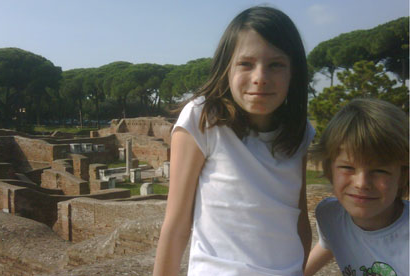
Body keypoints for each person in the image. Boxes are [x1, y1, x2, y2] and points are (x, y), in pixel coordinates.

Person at [153, 6, 315, 276]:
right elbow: (176, 224)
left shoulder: (300, 132)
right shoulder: (203, 119)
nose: (260, 78)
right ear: (226, 68)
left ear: (293, 72)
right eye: (246, 64)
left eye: (275, 64)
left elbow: (299, 220)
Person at [304, 98, 409, 276]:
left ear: (403, 175)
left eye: (379, 170)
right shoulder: (330, 215)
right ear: (329, 170)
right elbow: (329, 243)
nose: (361, 183)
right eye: (347, 167)